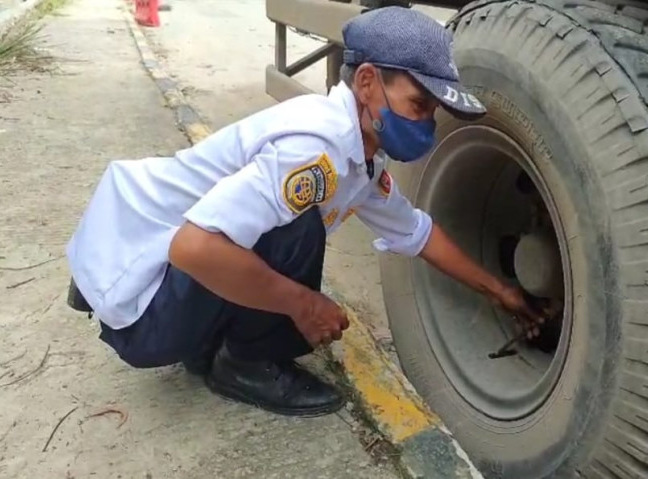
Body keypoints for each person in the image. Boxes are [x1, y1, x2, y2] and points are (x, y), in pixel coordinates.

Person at [65, 6, 544, 418]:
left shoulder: (359, 154)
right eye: (418, 104)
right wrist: (304, 304)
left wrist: (500, 290)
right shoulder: (318, 150)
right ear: (367, 81)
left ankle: (213, 343)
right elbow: (195, 247)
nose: (426, 123)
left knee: (284, 240)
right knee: (298, 233)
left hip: (132, 245)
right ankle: (246, 366)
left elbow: (415, 232)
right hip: (142, 311)